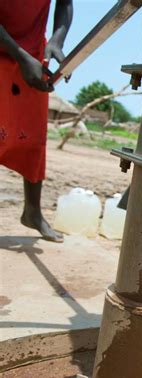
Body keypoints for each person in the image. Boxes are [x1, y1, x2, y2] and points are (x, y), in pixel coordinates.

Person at [0, 0, 73, 242]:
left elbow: (65, 2)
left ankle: (33, 212)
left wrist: (56, 42)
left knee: (32, 134)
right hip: (10, 49)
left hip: (33, 54)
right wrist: (19, 56)